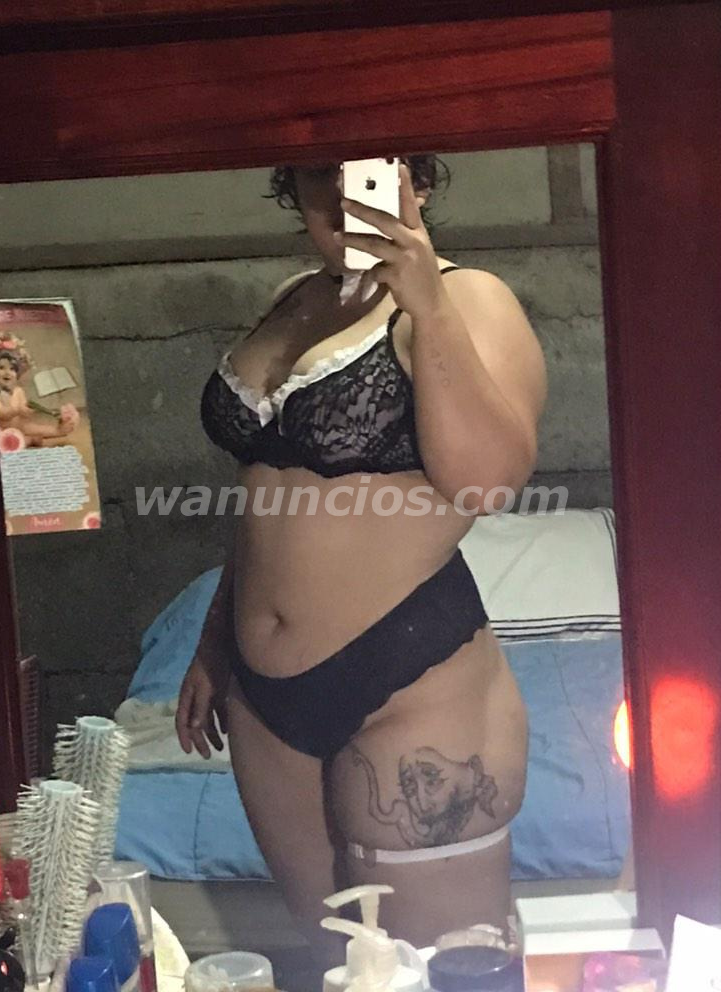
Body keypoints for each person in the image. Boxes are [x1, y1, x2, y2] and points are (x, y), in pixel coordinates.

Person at [176, 156, 547, 960]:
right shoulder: (296, 298)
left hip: (411, 684)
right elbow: (265, 493)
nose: (343, 201)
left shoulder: (471, 298)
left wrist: (428, 306)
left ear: (415, 182)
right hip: (264, 698)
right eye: (319, 179)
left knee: (441, 972)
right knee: (335, 963)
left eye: (365, 175)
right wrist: (214, 638)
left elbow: (487, 483)